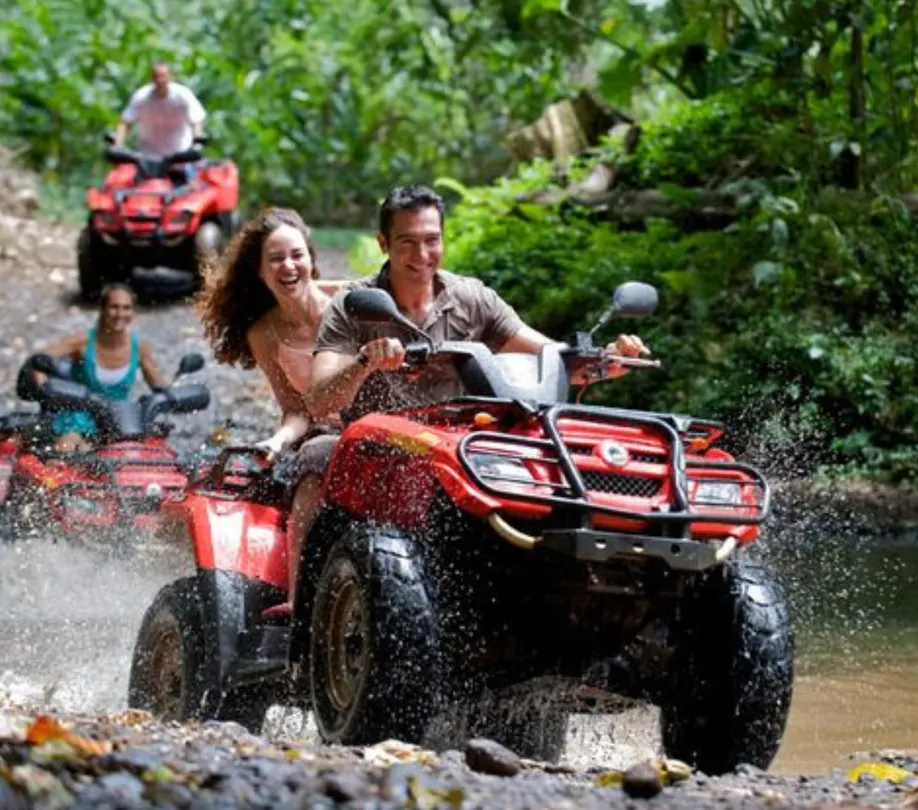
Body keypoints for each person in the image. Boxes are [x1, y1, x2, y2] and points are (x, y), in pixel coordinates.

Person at [273, 185, 647, 604]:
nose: (421, 255)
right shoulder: (353, 305)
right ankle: (301, 601)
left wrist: (605, 358)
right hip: (376, 446)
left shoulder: (472, 299)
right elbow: (320, 400)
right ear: (383, 243)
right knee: (316, 455)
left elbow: (550, 355)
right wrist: (365, 362)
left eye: (431, 241)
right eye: (407, 242)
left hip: (460, 444)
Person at [196, 207, 350, 586]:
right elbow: (295, 410)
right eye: (276, 259)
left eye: (297, 255)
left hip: (372, 419)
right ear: (261, 272)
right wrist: (277, 441)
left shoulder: (348, 300)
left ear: (312, 261)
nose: (288, 266)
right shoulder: (263, 334)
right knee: (308, 481)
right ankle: (298, 602)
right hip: (320, 433)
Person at [38, 284, 169, 452]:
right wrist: (42, 387)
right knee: (68, 446)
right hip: (77, 420)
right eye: (114, 307)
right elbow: (39, 361)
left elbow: (160, 388)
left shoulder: (140, 349)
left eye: (126, 308)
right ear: (103, 310)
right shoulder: (81, 343)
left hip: (120, 423)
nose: (120, 314)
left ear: (133, 312)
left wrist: (175, 397)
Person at [113, 62, 206, 183]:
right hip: (148, 160)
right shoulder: (141, 97)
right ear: (152, 78)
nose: (160, 80)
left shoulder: (183, 96)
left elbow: (196, 121)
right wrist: (117, 145)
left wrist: (197, 144)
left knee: (186, 187)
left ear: (169, 77)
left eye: (163, 76)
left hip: (179, 158)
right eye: (156, 76)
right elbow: (125, 122)